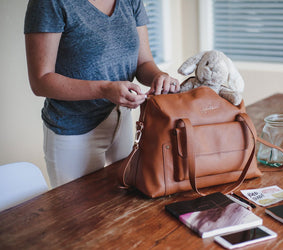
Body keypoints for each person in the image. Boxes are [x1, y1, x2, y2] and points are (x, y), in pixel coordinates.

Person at [24, 0, 179, 188]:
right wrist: (104, 89)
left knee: (124, 207)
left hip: (121, 122)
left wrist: (159, 76)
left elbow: (143, 62)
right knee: (79, 217)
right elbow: (40, 81)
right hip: (74, 132)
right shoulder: (50, 3)